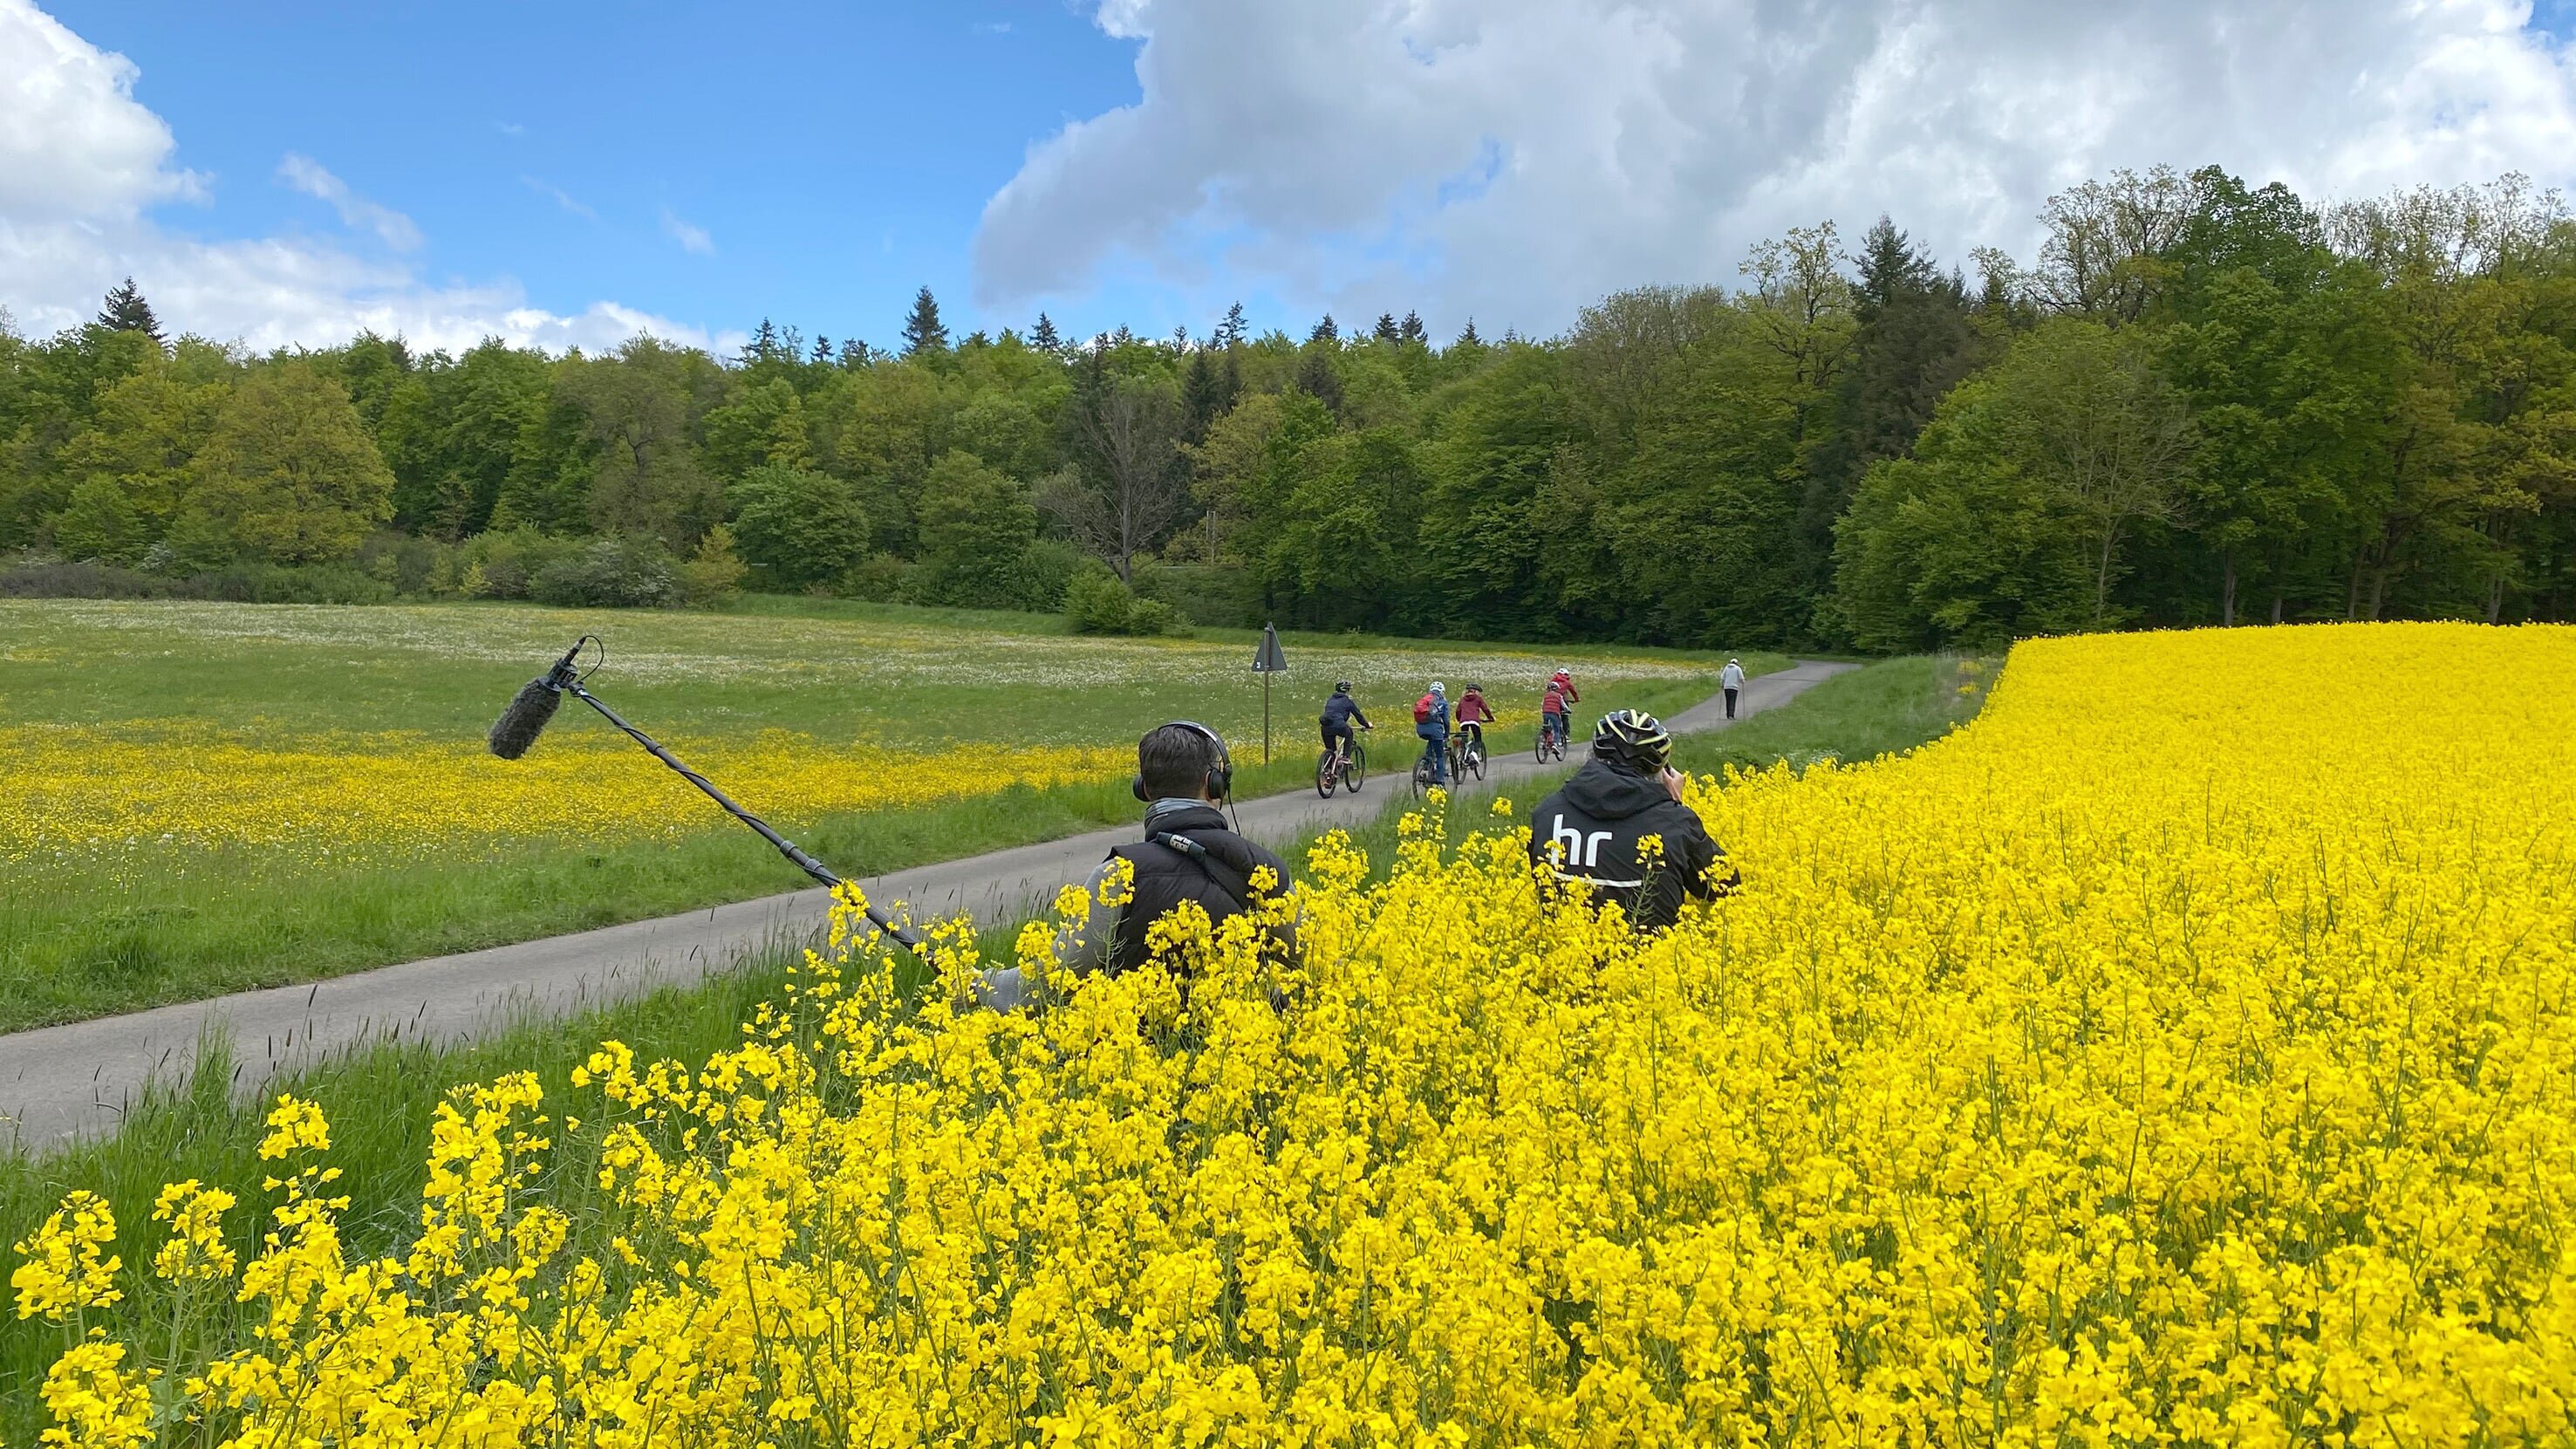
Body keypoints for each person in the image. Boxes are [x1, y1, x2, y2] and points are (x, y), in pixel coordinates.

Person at [975, 721, 1292, 1010]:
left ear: (1145, 789)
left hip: (1133, 1059)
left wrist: (974, 984)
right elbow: (1308, 964)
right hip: (1242, 1056)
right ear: (1214, 785)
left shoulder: (1118, 875)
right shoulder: (1265, 872)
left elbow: (1056, 981)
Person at [1527, 708, 1737, 931]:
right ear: (1664, 771)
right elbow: (1724, 885)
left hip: (1562, 957)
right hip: (1651, 960)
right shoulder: (1675, 824)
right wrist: (1675, 806)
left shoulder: (1547, 813)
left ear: (1592, 756)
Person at [1321, 680, 1372, 762]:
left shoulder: (1330, 700)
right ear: (1346, 690)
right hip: (1339, 726)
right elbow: (1358, 716)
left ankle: (1328, 769)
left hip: (1325, 726)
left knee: (1331, 751)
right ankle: (1345, 757)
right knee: (1349, 734)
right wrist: (1367, 725)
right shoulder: (1347, 701)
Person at [1415, 680, 1451, 786]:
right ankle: (1440, 782)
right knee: (1440, 755)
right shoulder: (1443, 702)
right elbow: (1446, 721)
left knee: (1430, 741)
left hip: (1420, 728)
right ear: (1442, 692)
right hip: (1435, 729)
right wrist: (1447, 734)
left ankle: (1427, 762)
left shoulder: (1424, 700)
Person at [1541, 669, 1579, 752]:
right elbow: (1573, 692)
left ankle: (1544, 739)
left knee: (1546, 726)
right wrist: (1576, 700)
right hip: (1560, 702)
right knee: (1564, 719)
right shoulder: (1567, 682)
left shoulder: (1553, 680)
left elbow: (1543, 703)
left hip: (1546, 709)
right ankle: (1564, 737)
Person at [1453, 682, 1496, 755]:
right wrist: (1490, 718)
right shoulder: (1478, 699)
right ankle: (1474, 754)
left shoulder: (1462, 699)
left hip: (1463, 722)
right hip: (1474, 721)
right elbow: (1485, 709)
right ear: (1476, 691)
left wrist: (1459, 719)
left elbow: (1458, 711)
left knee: (1464, 738)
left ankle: (1463, 755)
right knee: (1477, 738)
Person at [1719, 657, 1746, 721]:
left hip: (1727, 687)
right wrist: (1742, 681)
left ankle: (1728, 715)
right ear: (1736, 663)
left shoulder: (1726, 668)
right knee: (1732, 701)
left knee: (1728, 701)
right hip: (1734, 687)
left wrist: (1722, 685)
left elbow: (1722, 677)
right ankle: (1731, 715)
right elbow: (1741, 678)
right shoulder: (1737, 669)